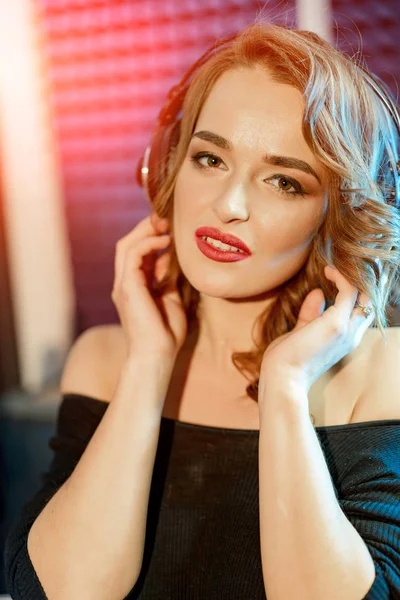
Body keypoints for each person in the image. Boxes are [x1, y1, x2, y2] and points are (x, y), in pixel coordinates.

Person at [4, 20, 400, 600]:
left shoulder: (382, 370)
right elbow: (67, 590)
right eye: (210, 159)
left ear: (334, 214)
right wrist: (149, 363)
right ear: (165, 168)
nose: (228, 205)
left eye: (284, 182)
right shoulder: (106, 358)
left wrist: (285, 385)